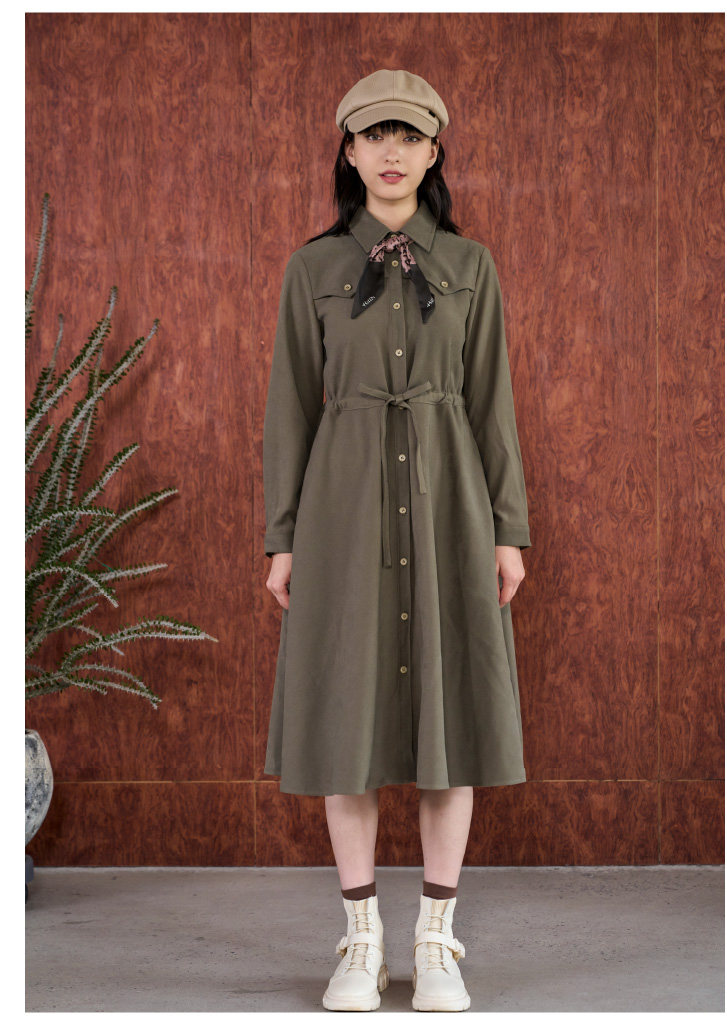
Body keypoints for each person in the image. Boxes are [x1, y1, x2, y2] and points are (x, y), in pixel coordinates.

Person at [262, 68, 532, 1012]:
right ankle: (361, 938)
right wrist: (283, 537)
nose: (390, 151)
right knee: (348, 720)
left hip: (452, 503)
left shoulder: (472, 266)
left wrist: (508, 529)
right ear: (347, 150)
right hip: (342, 512)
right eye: (373, 134)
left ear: (433, 151)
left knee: (450, 719)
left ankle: (437, 938)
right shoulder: (311, 270)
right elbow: (291, 409)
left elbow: (492, 402)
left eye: (408, 135)